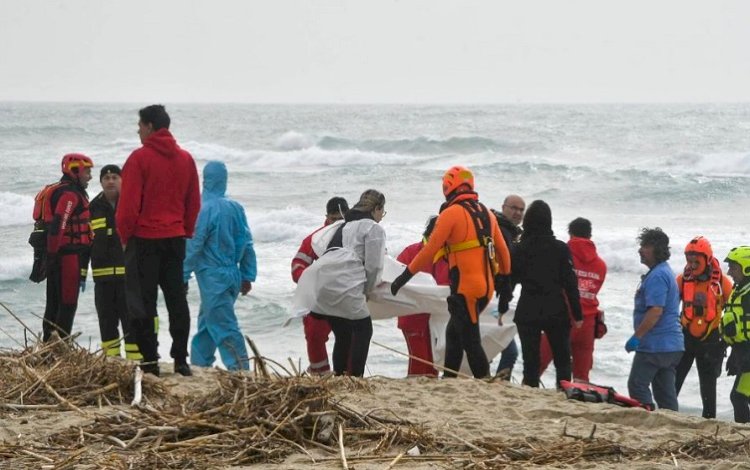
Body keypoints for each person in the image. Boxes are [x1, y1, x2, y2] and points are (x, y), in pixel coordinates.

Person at [391, 166, 511, 379]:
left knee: (471, 341)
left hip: (466, 289)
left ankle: (485, 383)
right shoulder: (487, 213)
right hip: (486, 288)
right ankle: (449, 379)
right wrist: (505, 281)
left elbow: (429, 250)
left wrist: (403, 277)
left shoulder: (451, 213)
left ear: (449, 187)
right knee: (453, 334)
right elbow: (503, 252)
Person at [117, 104, 201, 377]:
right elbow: (193, 202)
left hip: (144, 240)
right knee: (177, 299)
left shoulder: (139, 159)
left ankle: (150, 359)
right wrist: (185, 229)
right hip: (175, 238)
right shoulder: (186, 159)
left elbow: (128, 205)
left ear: (150, 127)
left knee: (143, 303)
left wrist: (124, 235)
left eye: (140, 125)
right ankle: (180, 360)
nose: (138, 130)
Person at [183, 161, 257, 371]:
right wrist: (247, 275)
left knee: (224, 325)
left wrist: (183, 273)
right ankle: (200, 364)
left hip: (212, 275)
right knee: (208, 323)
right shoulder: (235, 207)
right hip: (232, 273)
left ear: (204, 179)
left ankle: (240, 370)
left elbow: (194, 244)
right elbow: (247, 242)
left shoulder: (202, 208)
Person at [309, 189, 387, 377]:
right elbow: (374, 266)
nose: (382, 217)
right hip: (346, 285)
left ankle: (339, 375)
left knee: (343, 333)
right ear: (376, 208)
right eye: (382, 212)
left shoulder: (343, 225)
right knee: (363, 329)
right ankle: (355, 377)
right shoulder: (373, 228)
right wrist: (367, 291)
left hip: (323, 284)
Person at [506, 200, 582, 388]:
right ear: (549, 221)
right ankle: (564, 392)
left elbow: (510, 281)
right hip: (555, 309)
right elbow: (570, 283)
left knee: (530, 360)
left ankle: (530, 390)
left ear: (528, 220)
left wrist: (501, 306)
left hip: (528, 309)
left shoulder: (520, 248)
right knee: (562, 359)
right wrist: (577, 314)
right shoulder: (560, 248)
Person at [539, 217, 607, 383]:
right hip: (588, 322)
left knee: (537, 364)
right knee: (581, 376)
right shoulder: (601, 265)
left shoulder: (562, 255)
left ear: (570, 234)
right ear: (590, 236)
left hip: (561, 317)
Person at [626, 227, 683, 411]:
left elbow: (655, 311)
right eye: (641, 245)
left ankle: (647, 417)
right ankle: (673, 423)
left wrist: (637, 337)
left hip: (656, 345)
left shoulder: (658, 275)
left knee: (637, 385)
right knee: (665, 393)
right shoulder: (664, 271)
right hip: (672, 346)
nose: (640, 250)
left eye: (646, 246)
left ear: (658, 250)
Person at [674, 236, 732, 419]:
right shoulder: (682, 280)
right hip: (685, 338)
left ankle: (709, 420)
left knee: (708, 386)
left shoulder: (723, 283)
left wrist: (728, 340)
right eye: (688, 260)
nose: (691, 264)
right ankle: (665, 413)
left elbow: (736, 311)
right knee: (673, 380)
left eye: (695, 260)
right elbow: (668, 307)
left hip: (711, 341)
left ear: (707, 259)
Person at [291, 196, 349, 375]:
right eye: (334, 219)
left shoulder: (355, 236)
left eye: (341, 219)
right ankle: (320, 373)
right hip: (319, 298)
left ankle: (348, 374)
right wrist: (310, 280)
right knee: (314, 332)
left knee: (351, 337)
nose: (337, 223)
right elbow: (297, 265)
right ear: (326, 217)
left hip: (347, 296)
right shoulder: (315, 239)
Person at [89, 164, 141, 360]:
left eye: (114, 177)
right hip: (102, 279)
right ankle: (112, 361)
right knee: (106, 321)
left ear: (122, 180)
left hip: (128, 278)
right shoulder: (93, 208)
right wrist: (82, 273)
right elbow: (86, 243)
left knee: (131, 321)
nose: (110, 181)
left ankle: (135, 361)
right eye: (106, 177)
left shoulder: (132, 204)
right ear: (101, 182)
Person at [41, 153, 94, 341]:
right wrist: (54, 256)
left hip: (60, 257)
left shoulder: (67, 191)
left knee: (54, 304)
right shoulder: (70, 195)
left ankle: (48, 347)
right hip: (66, 257)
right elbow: (59, 226)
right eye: (87, 171)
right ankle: (59, 347)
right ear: (75, 170)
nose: (90, 176)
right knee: (67, 304)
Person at [395, 216, 449, 377]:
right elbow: (395, 280)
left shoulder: (448, 255)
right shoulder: (411, 252)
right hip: (413, 317)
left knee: (433, 365)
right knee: (419, 362)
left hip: (438, 319)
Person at [490, 194, 525, 380]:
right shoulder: (500, 230)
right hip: (491, 297)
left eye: (521, 210)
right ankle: (496, 383)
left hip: (499, 298)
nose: (518, 213)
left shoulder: (512, 232)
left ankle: (491, 381)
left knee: (494, 343)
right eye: (514, 208)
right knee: (509, 350)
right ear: (504, 207)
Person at [720, 246, 750, 423]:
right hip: (742, 351)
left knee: (738, 396)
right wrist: (733, 352)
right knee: (739, 396)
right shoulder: (739, 291)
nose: (729, 272)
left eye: (733, 267)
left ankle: (744, 435)